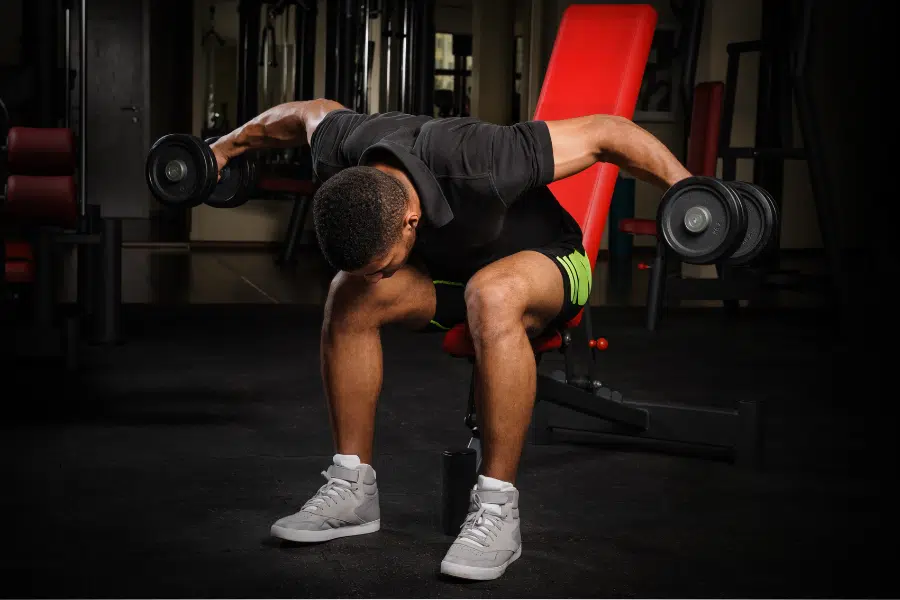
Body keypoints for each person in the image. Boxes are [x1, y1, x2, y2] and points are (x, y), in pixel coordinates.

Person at [210, 98, 692, 581]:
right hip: (455, 282)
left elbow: (607, 132)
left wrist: (689, 192)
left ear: (410, 223)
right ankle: (353, 489)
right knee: (349, 291)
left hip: (548, 267)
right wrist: (222, 151)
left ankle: (498, 510)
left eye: (384, 267)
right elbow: (302, 115)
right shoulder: (345, 144)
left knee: (493, 292)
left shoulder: (482, 158)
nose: (380, 279)